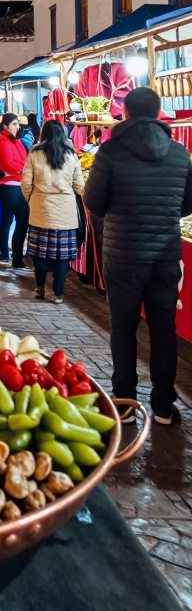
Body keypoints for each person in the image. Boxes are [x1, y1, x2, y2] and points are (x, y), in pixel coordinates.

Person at [84, 85, 192, 426]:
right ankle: (162, 405)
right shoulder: (179, 153)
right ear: (158, 113)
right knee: (163, 329)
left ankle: (126, 403)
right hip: (164, 254)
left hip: (123, 253)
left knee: (124, 329)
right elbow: (187, 204)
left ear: (125, 113)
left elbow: (93, 202)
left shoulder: (110, 151)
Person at [21, 119, 85, 304]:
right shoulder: (71, 155)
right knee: (62, 256)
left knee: (39, 252)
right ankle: (58, 294)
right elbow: (79, 185)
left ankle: (40, 287)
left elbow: (26, 183)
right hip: (65, 214)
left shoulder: (34, 153)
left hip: (41, 211)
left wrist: (31, 199)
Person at [0, 112, 31, 268]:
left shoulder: (18, 142)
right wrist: (23, 170)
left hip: (18, 185)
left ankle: (11, 256)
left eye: (18, 124)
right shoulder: (1, 142)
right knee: (15, 221)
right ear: (5, 126)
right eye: (14, 124)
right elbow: (8, 165)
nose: (17, 127)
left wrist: (24, 170)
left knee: (13, 222)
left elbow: (25, 160)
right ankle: (9, 256)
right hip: (9, 187)